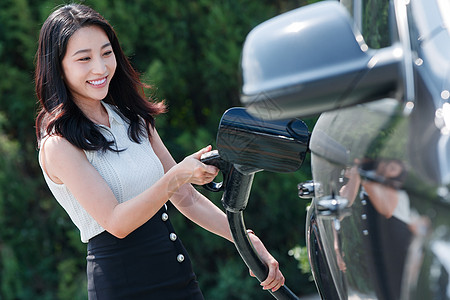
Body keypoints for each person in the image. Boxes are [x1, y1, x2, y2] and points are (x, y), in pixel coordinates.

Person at [35, 3, 285, 299]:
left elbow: (187, 198)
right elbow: (117, 223)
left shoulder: (133, 119)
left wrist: (247, 241)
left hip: (177, 277)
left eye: (106, 52)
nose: (100, 68)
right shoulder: (59, 144)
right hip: (124, 286)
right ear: (59, 67)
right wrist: (177, 175)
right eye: (83, 58)